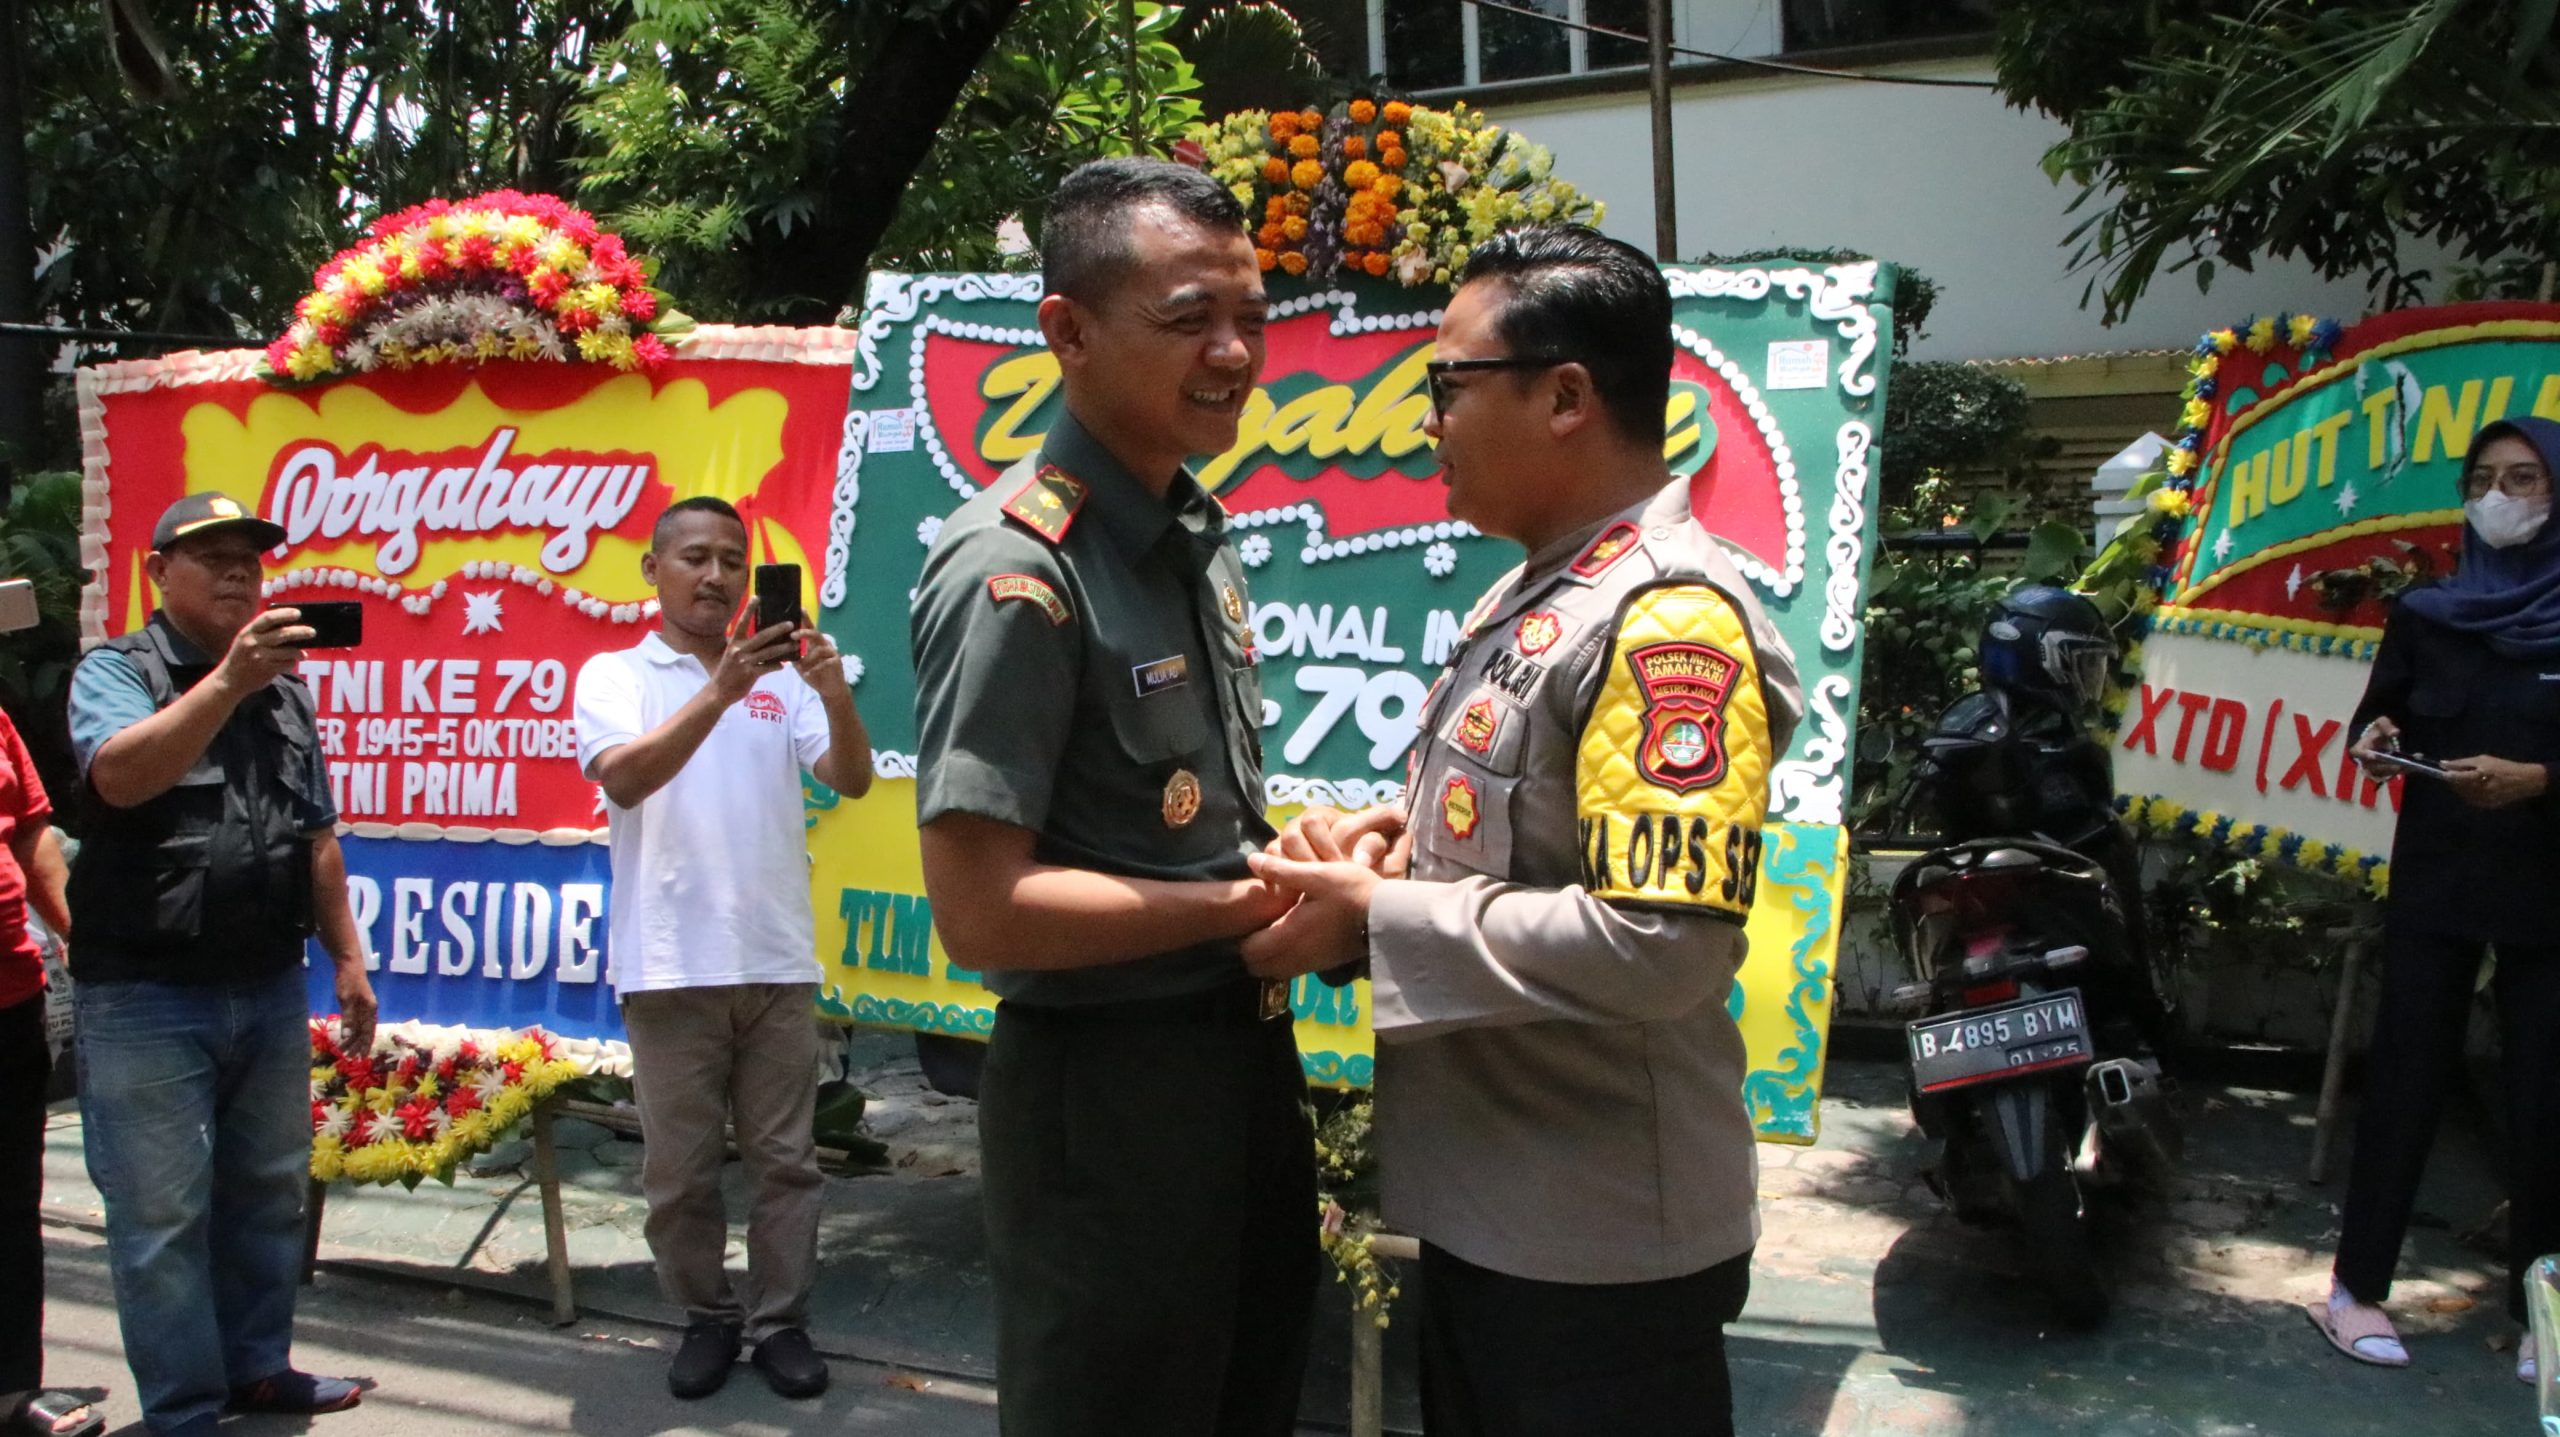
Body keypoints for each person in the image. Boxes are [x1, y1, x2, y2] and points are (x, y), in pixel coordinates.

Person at [1243, 224, 1804, 1437]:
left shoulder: (1667, 620)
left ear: (1564, 397)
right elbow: (1522, 838)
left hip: (1595, 1252)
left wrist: (1378, 916)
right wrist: (1385, 849)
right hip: (1496, 1212)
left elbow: (1662, 946)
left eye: (1448, 384)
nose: (1427, 421)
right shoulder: (1538, 591)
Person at [908, 156, 1310, 1436]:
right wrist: (1245, 905)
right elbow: (983, 911)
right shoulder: (1017, 570)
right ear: (1068, 332)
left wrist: (1303, 854)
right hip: (1105, 1103)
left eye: (1250, 317)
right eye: (1190, 318)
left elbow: (1186, 820)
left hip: (1240, 1070)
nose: (1233, 353)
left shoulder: (1190, 536)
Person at [65, 492, 375, 1437]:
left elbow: (315, 833)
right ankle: (186, 1408)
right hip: (144, 994)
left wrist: (348, 958)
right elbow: (120, 775)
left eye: (251, 557)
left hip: (267, 983)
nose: (241, 571)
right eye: (214, 556)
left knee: (268, 1192)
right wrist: (227, 683)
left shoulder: (283, 689)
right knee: (160, 1216)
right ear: (160, 572)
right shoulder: (116, 671)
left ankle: (257, 1369)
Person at [572, 495, 872, 1401]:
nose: (715, 576)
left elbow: (852, 778)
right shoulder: (615, 674)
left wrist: (832, 691)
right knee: (679, 1173)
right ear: (653, 569)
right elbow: (624, 778)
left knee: (787, 1163)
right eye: (694, 557)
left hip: (775, 961)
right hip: (670, 966)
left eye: (732, 562)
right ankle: (706, 1316)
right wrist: (721, 690)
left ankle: (781, 1322)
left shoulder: (783, 682)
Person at [2313, 415, 2560, 1385]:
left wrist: (2537, 779)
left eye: (2524, 478)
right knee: (2406, 1080)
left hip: (2547, 889)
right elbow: (2382, 714)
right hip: (2439, 876)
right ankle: (2355, 1290)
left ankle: (2543, 1311)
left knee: (2545, 1099)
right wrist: (2376, 741)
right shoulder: (2428, 612)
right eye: (2484, 479)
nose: (2500, 497)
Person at [1, 690, 91, 1437]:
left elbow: (31, 832)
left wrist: (79, 935)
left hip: (11, 992)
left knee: (9, 1202)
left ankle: (10, 1390)